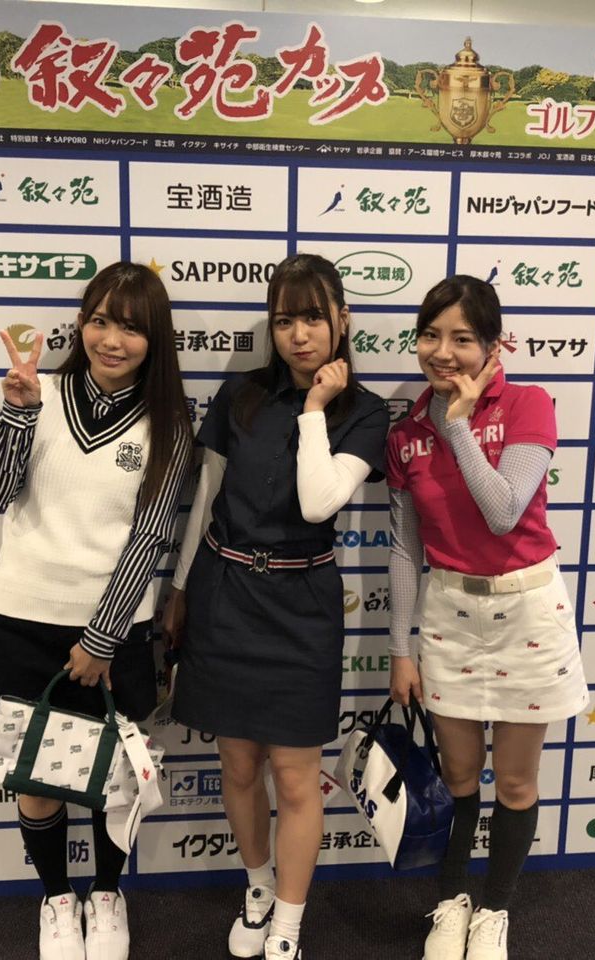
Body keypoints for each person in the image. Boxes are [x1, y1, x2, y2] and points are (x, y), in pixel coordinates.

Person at [162, 253, 389, 960]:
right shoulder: (241, 394)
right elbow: (207, 496)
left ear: (343, 320)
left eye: (314, 318)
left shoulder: (364, 411)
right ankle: (258, 886)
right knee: (237, 766)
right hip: (225, 594)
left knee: (294, 776)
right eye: (285, 320)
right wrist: (180, 589)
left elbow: (320, 501)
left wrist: (316, 410)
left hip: (301, 607)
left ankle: (289, 918)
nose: (299, 334)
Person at [0, 262, 192, 960]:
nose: (111, 340)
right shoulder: (40, 392)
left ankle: (106, 894)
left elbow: (150, 535)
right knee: (34, 775)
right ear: (80, 325)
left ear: (154, 340)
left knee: (111, 778)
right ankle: (56, 901)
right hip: (22, 617)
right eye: (99, 321)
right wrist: (18, 412)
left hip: (114, 628)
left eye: (131, 327)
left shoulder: (170, 422)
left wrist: (100, 639)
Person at [386, 276, 589, 960]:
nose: (442, 352)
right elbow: (405, 549)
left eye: (462, 339)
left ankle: (494, 910)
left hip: (527, 610)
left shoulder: (529, 404)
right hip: (450, 614)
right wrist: (401, 649)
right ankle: (451, 902)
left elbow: (504, 512)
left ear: (494, 347)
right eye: (430, 335)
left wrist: (458, 426)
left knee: (518, 781)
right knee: (460, 775)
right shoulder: (405, 432)